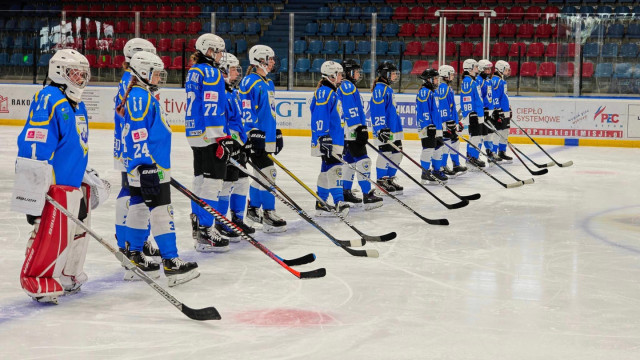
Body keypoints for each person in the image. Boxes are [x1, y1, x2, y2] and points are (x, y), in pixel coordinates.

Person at [12, 49, 95, 303]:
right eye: (74, 73)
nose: (80, 79)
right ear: (59, 72)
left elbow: (75, 145)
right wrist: (32, 192)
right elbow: (34, 146)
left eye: (83, 74)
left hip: (72, 183)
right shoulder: (48, 98)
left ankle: (68, 275)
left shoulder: (76, 105)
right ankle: (39, 279)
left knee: (78, 229)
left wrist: (85, 174)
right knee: (48, 231)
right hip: (53, 185)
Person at [123, 51, 199, 287]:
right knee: (161, 211)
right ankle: (170, 261)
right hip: (149, 165)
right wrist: (146, 165)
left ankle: (134, 257)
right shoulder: (139, 97)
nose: (159, 78)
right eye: (155, 74)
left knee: (138, 208)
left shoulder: (142, 95)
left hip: (146, 164)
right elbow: (137, 133)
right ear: (143, 73)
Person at [113, 38, 160, 264]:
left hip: (130, 145)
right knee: (132, 193)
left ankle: (138, 240)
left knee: (136, 194)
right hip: (130, 148)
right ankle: (126, 243)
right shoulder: (130, 82)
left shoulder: (134, 80)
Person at [184, 33, 232, 252]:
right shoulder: (211, 72)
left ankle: (198, 226)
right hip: (209, 133)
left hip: (194, 131)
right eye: (219, 51)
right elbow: (212, 104)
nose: (221, 55)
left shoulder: (194, 71)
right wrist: (221, 137)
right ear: (210, 51)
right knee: (213, 182)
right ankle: (206, 229)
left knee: (200, 179)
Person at [239, 45, 287, 233]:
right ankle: (268, 212)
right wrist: (252, 133)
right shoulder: (249, 82)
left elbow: (269, 112)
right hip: (256, 137)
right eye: (270, 58)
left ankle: (252, 209)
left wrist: (275, 132)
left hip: (266, 136)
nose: (273, 61)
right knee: (269, 173)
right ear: (260, 60)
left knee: (261, 175)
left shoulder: (268, 83)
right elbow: (246, 109)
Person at [216, 52, 254, 240]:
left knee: (242, 182)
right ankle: (221, 222)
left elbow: (238, 122)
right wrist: (231, 142)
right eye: (233, 69)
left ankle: (237, 219)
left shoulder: (233, 92)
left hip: (237, 144)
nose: (237, 73)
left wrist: (244, 142)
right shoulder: (220, 93)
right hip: (228, 145)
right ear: (223, 70)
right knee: (227, 184)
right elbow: (222, 122)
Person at [338, 59, 382, 210]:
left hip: (346, 131)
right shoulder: (347, 86)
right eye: (356, 71)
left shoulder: (344, 85)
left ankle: (345, 192)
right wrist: (359, 128)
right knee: (364, 161)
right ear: (348, 72)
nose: (358, 74)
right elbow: (350, 108)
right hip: (351, 131)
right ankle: (367, 194)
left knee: (349, 161)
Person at [310, 61, 350, 216]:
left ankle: (321, 201)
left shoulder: (332, 92)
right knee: (335, 169)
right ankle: (339, 201)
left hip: (334, 138)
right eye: (339, 74)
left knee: (326, 170)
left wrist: (343, 139)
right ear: (331, 75)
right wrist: (323, 136)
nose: (341, 77)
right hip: (328, 139)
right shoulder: (324, 92)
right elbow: (320, 115)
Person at [370, 62, 403, 194]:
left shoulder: (387, 88)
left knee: (397, 153)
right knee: (385, 154)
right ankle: (381, 181)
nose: (395, 76)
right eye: (393, 73)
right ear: (385, 74)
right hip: (385, 129)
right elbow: (377, 111)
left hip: (394, 128)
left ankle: (389, 179)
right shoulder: (379, 89)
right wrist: (381, 128)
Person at [415, 69, 446, 184]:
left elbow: (436, 111)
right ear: (428, 79)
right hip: (427, 126)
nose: (437, 81)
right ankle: (425, 173)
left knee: (439, 147)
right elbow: (424, 111)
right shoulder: (424, 92)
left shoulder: (433, 92)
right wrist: (429, 125)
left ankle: (436, 171)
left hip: (436, 126)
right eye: (435, 78)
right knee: (428, 149)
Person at [437, 65, 467, 177]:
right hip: (444, 122)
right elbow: (443, 107)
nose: (453, 76)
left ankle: (456, 164)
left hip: (450, 121)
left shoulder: (448, 87)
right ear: (445, 75)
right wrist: (447, 122)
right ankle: (443, 165)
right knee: (446, 143)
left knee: (455, 141)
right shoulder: (442, 88)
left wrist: (455, 121)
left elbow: (452, 107)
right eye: (451, 74)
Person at [459, 59, 486, 169]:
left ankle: (474, 156)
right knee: (474, 137)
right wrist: (471, 113)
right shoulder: (467, 81)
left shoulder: (473, 81)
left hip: (478, 113)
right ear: (469, 68)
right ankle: (471, 158)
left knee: (477, 137)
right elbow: (466, 99)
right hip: (473, 114)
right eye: (475, 66)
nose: (477, 68)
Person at [477, 59, 500, 163]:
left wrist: (494, 109)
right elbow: (478, 97)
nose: (489, 71)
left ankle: (489, 153)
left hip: (489, 110)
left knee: (489, 133)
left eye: (490, 69)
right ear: (481, 69)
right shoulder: (478, 80)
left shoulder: (488, 80)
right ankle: (475, 155)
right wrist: (483, 110)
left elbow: (491, 96)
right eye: (486, 69)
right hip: (483, 111)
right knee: (480, 135)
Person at [491, 60, 514, 163]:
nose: (508, 71)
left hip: (505, 111)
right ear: (500, 69)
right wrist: (498, 110)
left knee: (505, 132)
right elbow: (495, 96)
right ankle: (494, 153)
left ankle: (502, 152)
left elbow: (504, 97)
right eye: (506, 69)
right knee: (498, 132)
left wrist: (508, 108)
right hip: (499, 111)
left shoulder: (502, 80)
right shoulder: (496, 80)